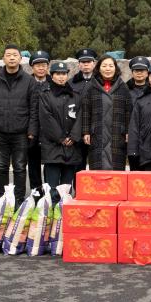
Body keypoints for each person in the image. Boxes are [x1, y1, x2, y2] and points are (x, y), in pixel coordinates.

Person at [0, 45, 37, 206]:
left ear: (20, 58)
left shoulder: (29, 81)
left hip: (21, 132)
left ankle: (18, 199)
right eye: (8, 55)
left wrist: (32, 130)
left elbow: (34, 108)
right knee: (0, 167)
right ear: (3, 58)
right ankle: (2, 199)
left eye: (15, 55)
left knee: (20, 167)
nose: (12, 58)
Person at [34, 61, 82, 196]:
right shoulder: (45, 95)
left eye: (64, 74)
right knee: (52, 187)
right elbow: (46, 118)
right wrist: (61, 138)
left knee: (67, 186)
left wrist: (73, 136)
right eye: (58, 74)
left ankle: (64, 207)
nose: (61, 77)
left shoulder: (75, 95)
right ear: (52, 76)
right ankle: (52, 206)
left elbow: (81, 116)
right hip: (52, 145)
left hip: (72, 145)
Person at [80, 55, 132, 171]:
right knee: (97, 168)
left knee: (117, 169)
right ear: (98, 68)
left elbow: (128, 111)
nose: (107, 69)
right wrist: (86, 131)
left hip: (118, 133)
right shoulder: (91, 87)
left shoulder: (123, 87)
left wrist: (128, 131)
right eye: (104, 66)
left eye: (110, 66)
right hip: (96, 132)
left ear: (115, 68)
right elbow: (86, 110)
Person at [27, 51, 52, 193]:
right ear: (32, 67)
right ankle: (36, 191)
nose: (41, 68)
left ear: (48, 66)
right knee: (33, 161)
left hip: (49, 129)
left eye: (44, 65)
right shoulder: (26, 82)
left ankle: (49, 191)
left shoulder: (54, 82)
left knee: (50, 161)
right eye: (37, 65)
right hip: (31, 128)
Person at [70, 48, 98, 172]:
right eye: (83, 62)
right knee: (77, 165)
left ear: (94, 63)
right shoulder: (71, 83)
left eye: (88, 62)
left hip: (95, 128)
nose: (86, 64)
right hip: (76, 128)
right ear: (79, 64)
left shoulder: (100, 82)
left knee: (96, 164)